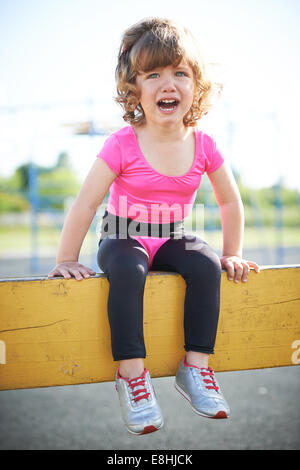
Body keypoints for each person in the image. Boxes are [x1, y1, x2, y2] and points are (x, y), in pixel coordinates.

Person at [48, 17, 260, 435]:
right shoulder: (123, 142)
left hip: (172, 235)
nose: (169, 84)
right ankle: (132, 375)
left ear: (195, 85)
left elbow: (229, 200)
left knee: (205, 264)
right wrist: (66, 259)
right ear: (135, 89)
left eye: (180, 72)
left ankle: (195, 368)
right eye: (154, 74)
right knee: (128, 269)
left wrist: (232, 251)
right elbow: (86, 203)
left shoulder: (203, 144)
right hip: (122, 236)